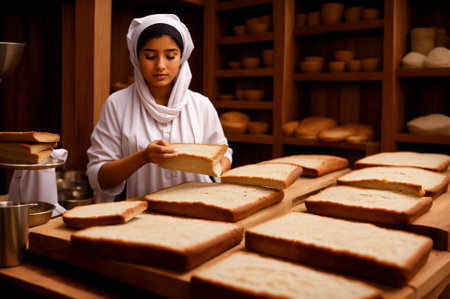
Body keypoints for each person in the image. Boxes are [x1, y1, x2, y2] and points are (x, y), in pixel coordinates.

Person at [86, 14, 232, 202]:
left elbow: (223, 152)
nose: (160, 65)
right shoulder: (117, 104)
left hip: (198, 210)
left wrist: (212, 166)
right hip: (143, 216)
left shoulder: (201, 105)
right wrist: (143, 157)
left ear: (182, 57)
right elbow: (98, 176)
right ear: (137, 58)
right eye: (150, 56)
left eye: (170, 56)